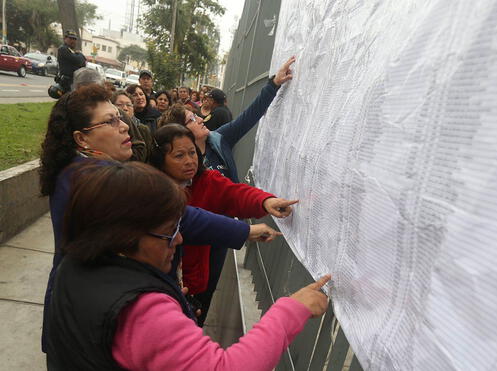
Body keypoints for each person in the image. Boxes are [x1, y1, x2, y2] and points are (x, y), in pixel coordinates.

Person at [39, 83, 280, 354]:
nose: (124, 126)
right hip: (90, 327)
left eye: (120, 116)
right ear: (81, 139)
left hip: (82, 314)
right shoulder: (96, 180)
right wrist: (244, 231)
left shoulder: (80, 171)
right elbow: (178, 216)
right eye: (110, 121)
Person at [44, 160, 331, 370]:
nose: (179, 239)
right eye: (169, 232)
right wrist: (292, 310)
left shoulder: (76, 264)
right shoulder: (138, 310)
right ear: (123, 237)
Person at [151, 124, 299, 326]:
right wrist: (245, 231)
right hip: (159, 283)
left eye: (192, 152)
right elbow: (191, 222)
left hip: (195, 283)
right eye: (179, 156)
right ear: (161, 160)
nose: (189, 161)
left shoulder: (207, 181)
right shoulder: (150, 190)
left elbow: (236, 194)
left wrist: (265, 201)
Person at [158, 56, 296, 183]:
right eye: (191, 120)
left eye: (196, 115)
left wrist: (274, 83)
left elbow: (250, 115)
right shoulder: (182, 172)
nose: (200, 119)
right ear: (181, 131)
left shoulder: (218, 139)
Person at [112, 90, 154, 162]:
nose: (125, 108)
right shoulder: (109, 129)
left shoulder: (143, 129)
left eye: (128, 105)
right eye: (119, 105)